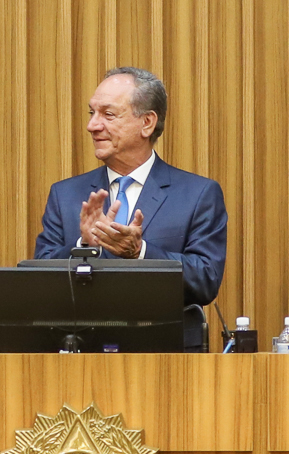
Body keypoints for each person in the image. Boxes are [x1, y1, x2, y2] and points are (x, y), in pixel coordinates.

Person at [33, 67, 227, 348]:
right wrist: (83, 244)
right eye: (92, 113)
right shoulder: (65, 195)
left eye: (108, 115)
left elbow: (205, 279)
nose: (93, 125)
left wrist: (141, 253)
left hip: (168, 358)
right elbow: (36, 281)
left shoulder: (197, 194)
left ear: (147, 123)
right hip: (81, 356)